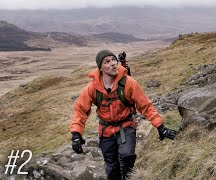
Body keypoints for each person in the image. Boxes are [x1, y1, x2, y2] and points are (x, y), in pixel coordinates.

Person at [70, 49, 177, 180]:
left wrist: (160, 127)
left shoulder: (129, 83)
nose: (113, 64)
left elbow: (145, 106)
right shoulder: (92, 88)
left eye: (114, 60)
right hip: (106, 132)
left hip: (126, 126)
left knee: (127, 156)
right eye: (107, 62)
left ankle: (127, 176)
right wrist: (76, 133)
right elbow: (80, 110)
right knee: (112, 169)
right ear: (100, 68)